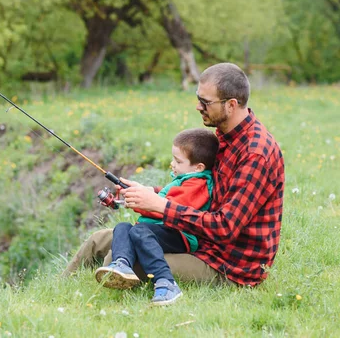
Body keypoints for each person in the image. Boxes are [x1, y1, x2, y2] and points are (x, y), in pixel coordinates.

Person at [63, 63, 285, 295]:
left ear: (231, 105)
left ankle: (92, 298)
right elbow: (200, 187)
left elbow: (225, 227)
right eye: (198, 98)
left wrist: (161, 206)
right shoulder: (225, 136)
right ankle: (58, 292)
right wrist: (152, 191)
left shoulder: (255, 154)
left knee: (120, 260)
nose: (198, 106)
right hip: (199, 242)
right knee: (100, 240)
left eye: (206, 102)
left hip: (227, 265)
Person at [94, 128, 219, 306]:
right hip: (163, 228)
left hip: (181, 235)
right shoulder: (185, 178)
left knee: (139, 232)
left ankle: (166, 283)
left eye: (178, 161)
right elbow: (165, 194)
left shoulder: (198, 185)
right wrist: (140, 191)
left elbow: (166, 207)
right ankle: (121, 265)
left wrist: (141, 202)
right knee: (122, 227)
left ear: (198, 167)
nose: (172, 164)